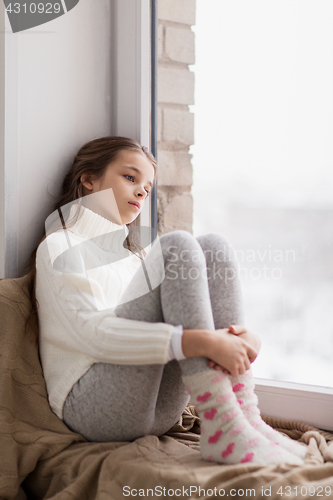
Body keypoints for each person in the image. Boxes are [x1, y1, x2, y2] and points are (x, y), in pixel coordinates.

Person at [28, 136, 306, 465]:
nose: (142, 191)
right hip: (92, 408)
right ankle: (225, 423)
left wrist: (239, 337)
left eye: (147, 186)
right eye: (130, 178)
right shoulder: (59, 246)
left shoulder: (136, 256)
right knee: (176, 246)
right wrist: (199, 341)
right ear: (89, 179)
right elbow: (93, 335)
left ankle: (242, 415)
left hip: (159, 409)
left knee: (214, 247)